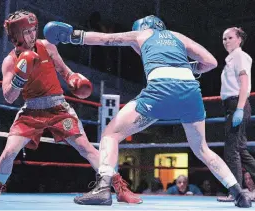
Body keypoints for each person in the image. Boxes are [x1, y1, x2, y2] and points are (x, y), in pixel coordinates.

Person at [43, 15, 253, 208]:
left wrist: (71, 36)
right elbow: (211, 62)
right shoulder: (177, 36)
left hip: (160, 90)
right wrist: (190, 68)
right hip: (190, 93)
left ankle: (103, 188)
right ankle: (239, 194)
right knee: (202, 149)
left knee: (110, 134)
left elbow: (105, 38)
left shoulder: (142, 33)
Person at [0, 10, 142, 204]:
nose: (32, 35)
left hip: (58, 107)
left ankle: (119, 187)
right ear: (16, 36)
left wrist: (75, 80)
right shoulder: (9, 61)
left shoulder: (47, 46)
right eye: (27, 32)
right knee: (9, 151)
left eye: (34, 30)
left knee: (86, 148)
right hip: (31, 110)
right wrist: (19, 78)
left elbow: (66, 72)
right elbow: (9, 97)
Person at [217, 27, 255, 203]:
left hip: (236, 104)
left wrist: (239, 108)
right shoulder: (231, 59)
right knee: (240, 149)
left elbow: (245, 83)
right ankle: (238, 191)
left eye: (230, 37)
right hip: (232, 105)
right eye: (224, 39)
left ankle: (236, 192)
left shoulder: (240, 56)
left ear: (239, 39)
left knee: (232, 150)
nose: (226, 41)